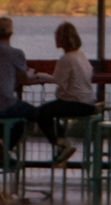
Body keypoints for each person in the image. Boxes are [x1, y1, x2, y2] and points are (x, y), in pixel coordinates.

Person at [30, 22, 97, 168]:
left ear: (61, 39)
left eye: (56, 36)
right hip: (89, 102)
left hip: (75, 103)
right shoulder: (80, 55)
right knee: (53, 113)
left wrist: (38, 75)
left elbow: (57, 80)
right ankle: (61, 150)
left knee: (40, 113)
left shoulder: (66, 58)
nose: (55, 39)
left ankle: (60, 144)